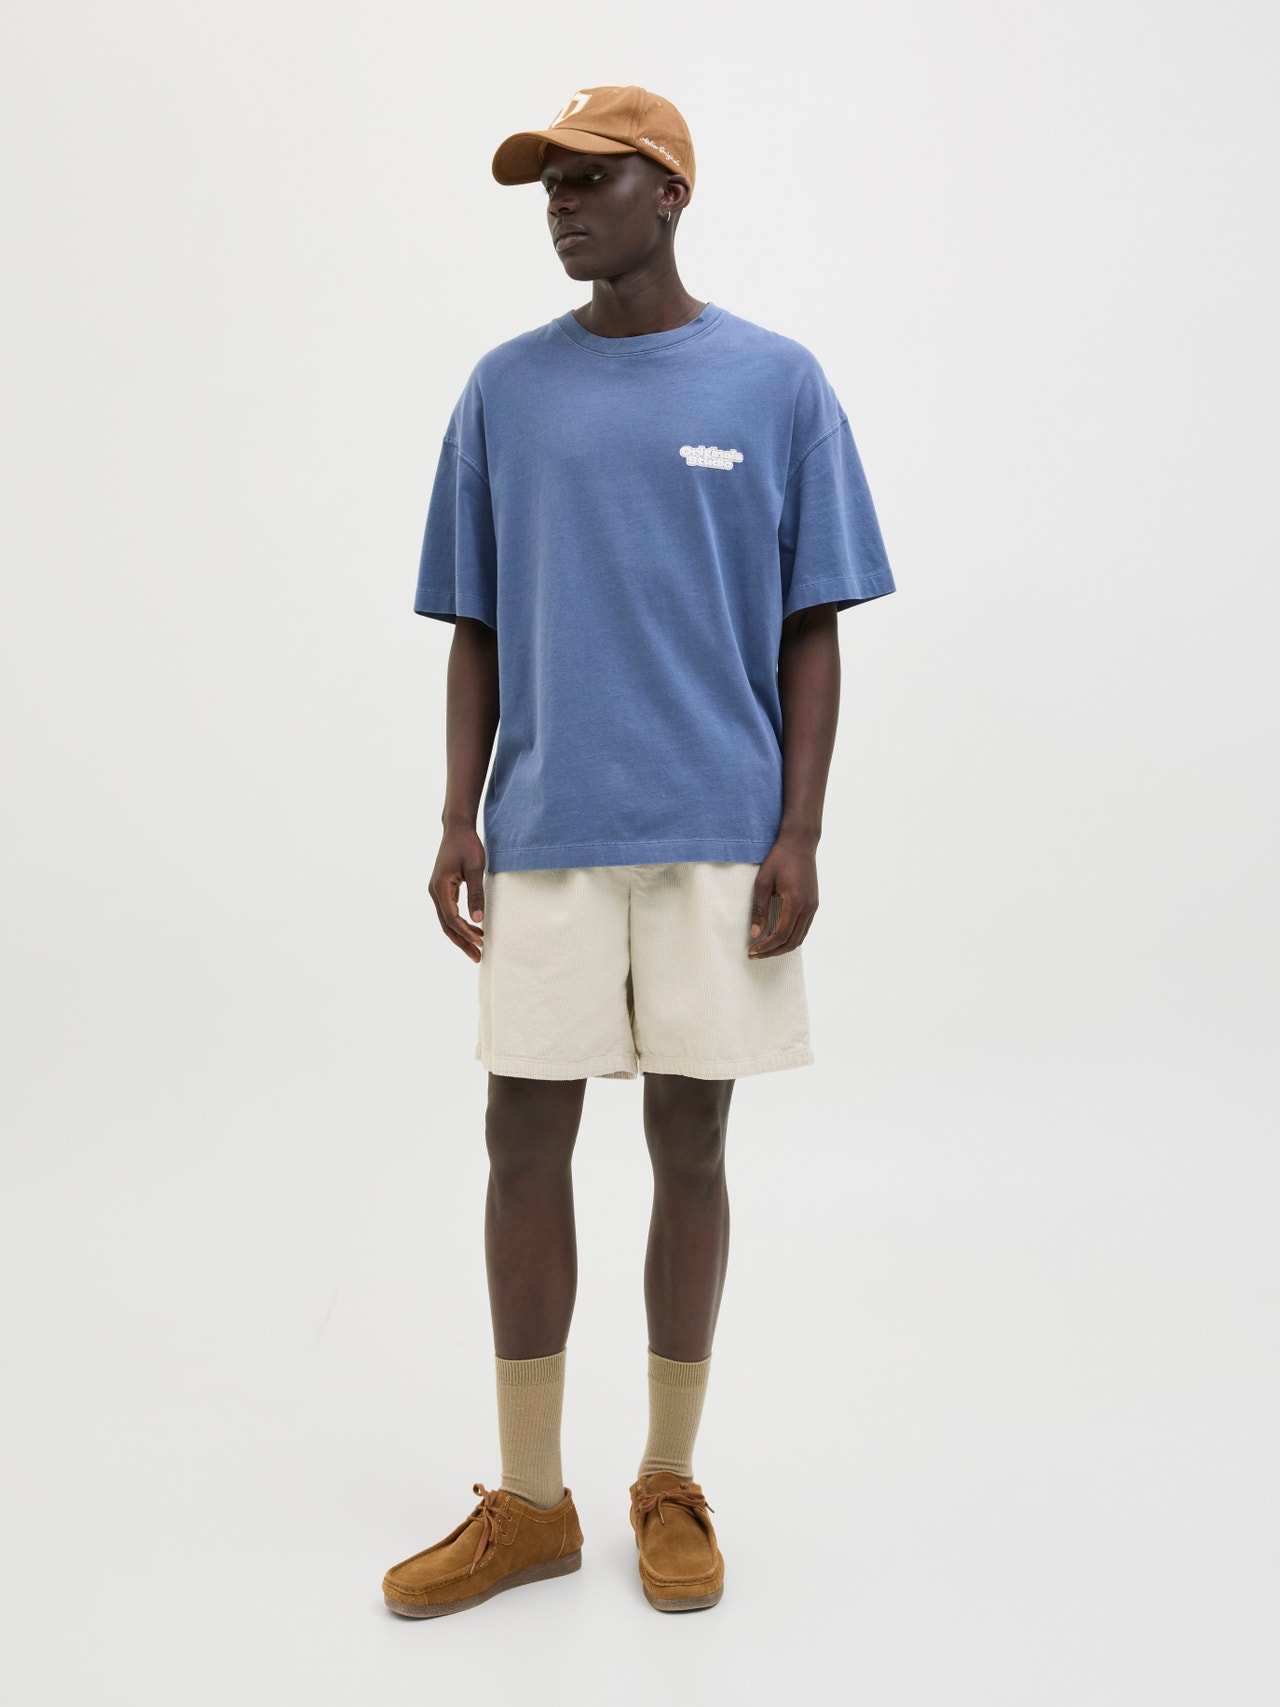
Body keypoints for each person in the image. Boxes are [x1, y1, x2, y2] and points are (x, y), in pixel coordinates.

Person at [381, 85, 896, 1620]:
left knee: (692, 1144)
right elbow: (475, 622)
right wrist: (459, 812)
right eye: (548, 184)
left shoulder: (777, 384)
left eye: (589, 180)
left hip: (716, 834)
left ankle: (668, 1479)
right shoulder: (504, 391)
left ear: (668, 193)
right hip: (547, 827)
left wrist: (800, 827)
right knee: (521, 1141)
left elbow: (814, 625)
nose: (560, 205)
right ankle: (532, 1504)